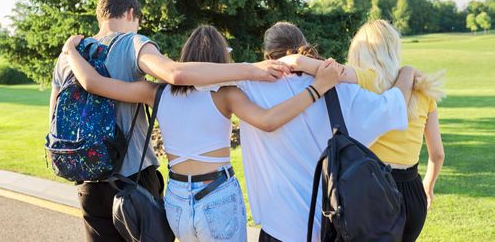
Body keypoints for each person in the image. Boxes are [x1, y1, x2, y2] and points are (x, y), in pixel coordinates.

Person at [50, 0, 290, 242]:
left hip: (87, 179)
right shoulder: (133, 43)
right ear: (132, 14)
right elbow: (175, 73)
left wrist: (70, 51)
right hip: (133, 177)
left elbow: (58, 113)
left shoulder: (67, 58)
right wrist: (250, 69)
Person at [61, 24, 341, 242]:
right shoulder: (227, 94)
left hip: (177, 200)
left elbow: (92, 82)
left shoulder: (156, 93)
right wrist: (317, 89)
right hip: (217, 194)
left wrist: (70, 51)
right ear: (219, 60)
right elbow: (268, 121)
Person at [233, 21, 417, 242]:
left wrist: (248, 69)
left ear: (266, 54)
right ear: (305, 45)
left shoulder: (248, 88)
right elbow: (392, 108)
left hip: (278, 226)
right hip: (330, 223)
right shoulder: (339, 87)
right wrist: (407, 72)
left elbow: (190, 75)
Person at [337, 19, 445, 242]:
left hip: (373, 189)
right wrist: (428, 186)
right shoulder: (423, 91)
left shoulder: (363, 82)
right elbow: (437, 154)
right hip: (413, 191)